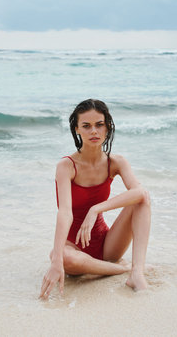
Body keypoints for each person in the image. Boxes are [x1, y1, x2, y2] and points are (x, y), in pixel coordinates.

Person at [40, 99, 151, 299]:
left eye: (99, 125)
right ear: (77, 130)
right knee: (62, 256)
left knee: (142, 200)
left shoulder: (116, 162)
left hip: (107, 245)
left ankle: (137, 272)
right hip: (74, 249)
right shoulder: (66, 166)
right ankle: (122, 270)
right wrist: (57, 261)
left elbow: (140, 193)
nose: (94, 131)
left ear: (107, 127)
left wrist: (96, 209)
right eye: (87, 126)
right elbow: (65, 212)